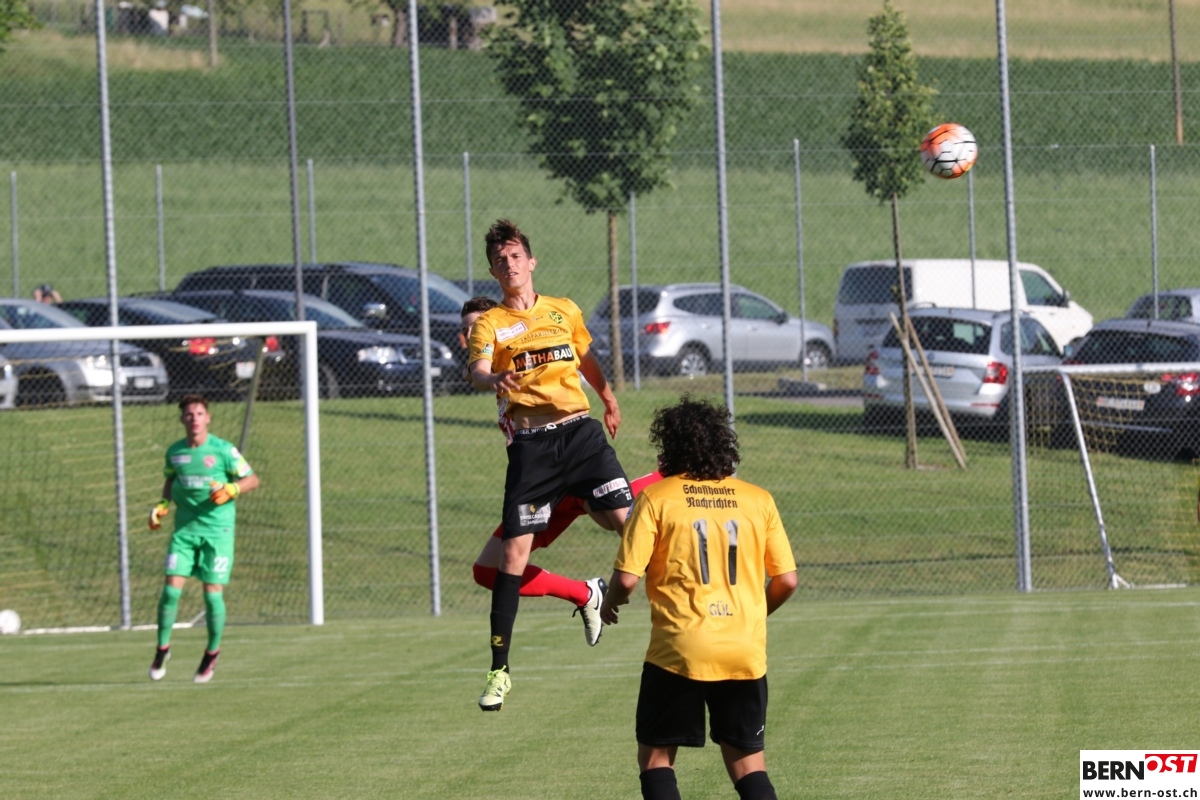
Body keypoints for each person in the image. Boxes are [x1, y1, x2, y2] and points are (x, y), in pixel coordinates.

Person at [466, 219, 633, 712]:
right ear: (493, 271)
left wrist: (608, 398)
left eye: (516, 255)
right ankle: (499, 672)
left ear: (531, 261)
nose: (509, 264)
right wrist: (492, 379)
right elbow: (478, 371)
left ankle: (695, 604)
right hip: (533, 451)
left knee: (631, 525)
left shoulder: (564, 309)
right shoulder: (490, 323)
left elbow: (586, 358)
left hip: (581, 435)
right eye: (500, 260)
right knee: (509, 560)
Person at [599, 395, 798, 800]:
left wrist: (609, 602)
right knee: (748, 764)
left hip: (679, 650)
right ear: (724, 443)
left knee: (656, 759)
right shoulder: (758, 499)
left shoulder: (656, 498)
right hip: (743, 650)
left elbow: (627, 579)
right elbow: (788, 580)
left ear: (669, 446)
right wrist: (752, 614)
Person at [462, 295, 664, 646]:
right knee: (487, 570)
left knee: (622, 522)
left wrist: (608, 399)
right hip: (543, 487)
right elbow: (477, 373)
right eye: (465, 331)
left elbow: (576, 359)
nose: (470, 337)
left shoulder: (526, 357)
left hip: (567, 466)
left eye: (476, 327)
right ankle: (585, 594)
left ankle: (669, 477)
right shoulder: (496, 376)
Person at [147, 394, 259, 684]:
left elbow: (252, 479)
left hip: (218, 533)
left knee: (212, 595)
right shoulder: (175, 453)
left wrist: (233, 489)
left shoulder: (223, 450)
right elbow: (171, 479)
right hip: (184, 532)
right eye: (189, 414)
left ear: (208, 418)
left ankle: (212, 653)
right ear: (182, 419)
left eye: (199, 413)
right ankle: (162, 649)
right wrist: (162, 505)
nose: (194, 418)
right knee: (171, 591)